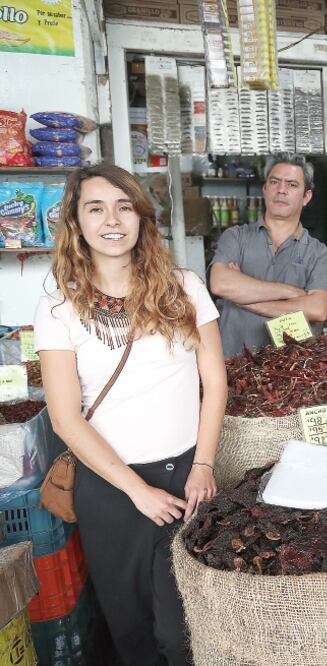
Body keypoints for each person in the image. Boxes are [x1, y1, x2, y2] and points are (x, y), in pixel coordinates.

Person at [35, 164, 227, 665]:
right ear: (76, 224)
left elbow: (215, 380)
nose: (112, 220)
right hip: (110, 489)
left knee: (181, 629)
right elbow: (64, 419)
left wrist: (204, 464)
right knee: (132, 630)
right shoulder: (59, 308)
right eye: (95, 208)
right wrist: (136, 490)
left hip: (188, 476)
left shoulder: (183, 287)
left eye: (124, 206)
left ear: (142, 217)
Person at [209, 152, 327, 358]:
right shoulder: (236, 237)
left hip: (292, 372)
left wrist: (244, 299)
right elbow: (220, 283)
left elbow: (318, 308)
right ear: (265, 189)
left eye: (292, 185)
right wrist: (293, 293)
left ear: (306, 197)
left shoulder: (318, 252)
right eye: (275, 182)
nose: (282, 190)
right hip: (234, 367)